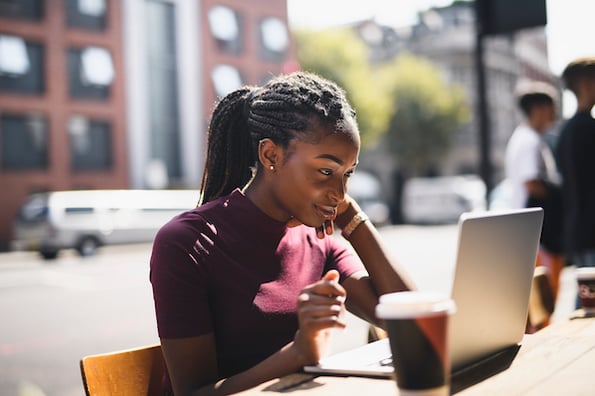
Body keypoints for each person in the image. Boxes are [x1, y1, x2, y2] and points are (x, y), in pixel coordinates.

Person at [149, 71, 416, 395]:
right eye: (326, 171)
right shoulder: (188, 243)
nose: (339, 191)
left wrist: (352, 217)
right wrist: (299, 353)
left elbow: (413, 324)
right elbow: (192, 393)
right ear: (270, 155)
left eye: (347, 174)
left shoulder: (319, 243)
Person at [504, 81, 563, 331]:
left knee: (538, 298)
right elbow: (532, 183)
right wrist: (560, 194)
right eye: (552, 107)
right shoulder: (529, 140)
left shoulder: (525, 138)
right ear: (538, 108)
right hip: (538, 232)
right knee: (542, 298)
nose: (555, 113)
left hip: (531, 230)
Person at [556, 57, 595, 306]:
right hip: (590, 230)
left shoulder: (567, 130)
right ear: (585, 83)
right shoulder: (585, 129)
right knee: (589, 307)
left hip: (580, 230)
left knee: (586, 304)